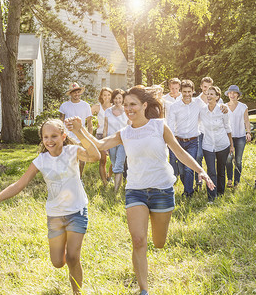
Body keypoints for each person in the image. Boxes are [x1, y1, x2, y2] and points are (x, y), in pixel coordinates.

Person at [66, 86, 214, 295]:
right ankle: (143, 289)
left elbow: (179, 152)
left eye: (133, 104)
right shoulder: (124, 133)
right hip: (135, 190)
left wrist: (201, 171)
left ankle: (149, 264)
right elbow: (99, 145)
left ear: (145, 105)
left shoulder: (159, 126)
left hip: (162, 190)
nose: (128, 108)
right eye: (126, 105)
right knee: (138, 240)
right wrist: (79, 130)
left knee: (159, 242)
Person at [0, 119, 100, 295]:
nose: (49, 140)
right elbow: (19, 184)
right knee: (58, 262)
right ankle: (67, 252)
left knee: (73, 258)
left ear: (63, 136)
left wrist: (80, 132)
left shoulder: (72, 151)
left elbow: (96, 156)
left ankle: (77, 292)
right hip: (55, 216)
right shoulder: (41, 160)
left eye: (54, 136)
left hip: (77, 211)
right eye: (45, 137)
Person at [168, 80, 205, 198]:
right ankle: (188, 188)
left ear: (193, 91)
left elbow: (210, 108)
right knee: (182, 171)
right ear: (181, 92)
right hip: (178, 141)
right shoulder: (174, 106)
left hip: (193, 141)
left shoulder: (198, 103)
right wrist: (171, 142)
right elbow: (170, 125)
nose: (187, 94)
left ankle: (188, 193)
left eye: (189, 91)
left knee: (189, 168)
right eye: (184, 92)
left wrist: (223, 107)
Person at [200, 86, 234, 202]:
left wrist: (231, 145)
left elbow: (227, 127)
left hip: (222, 144)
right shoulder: (202, 110)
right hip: (208, 145)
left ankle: (220, 193)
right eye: (207, 94)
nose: (209, 96)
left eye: (211, 94)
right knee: (211, 171)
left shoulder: (222, 110)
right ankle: (211, 196)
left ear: (217, 97)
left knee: (221, 170)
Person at [59, 82, 93, 178]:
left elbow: (90, 124)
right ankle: (69, 178)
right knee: (69, 160)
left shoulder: (86, 105)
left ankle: (79, 178)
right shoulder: (64, 106)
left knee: (82, 160)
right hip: (69, 137)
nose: (76, 94)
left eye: (78, 92)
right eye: (74, 92)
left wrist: (89, 137)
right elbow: (60, 122)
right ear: (70, 94)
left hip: (82, 136)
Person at [225, 85, 252, 188]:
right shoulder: (224, 106)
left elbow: (246, 120)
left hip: (240, 136)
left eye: (234, 93)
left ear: (238, 95)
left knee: (238, 160)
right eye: (230, 93)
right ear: (228, 94)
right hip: (228, 137)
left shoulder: (243, 106)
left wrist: (248, 132)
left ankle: (237, 182)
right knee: (228, 159)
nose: (232, 95)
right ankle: (230, 180)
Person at [103, 89, 130, 192]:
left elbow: (129, 127)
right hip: (111, 141)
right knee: (114, 164)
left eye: (119, 98)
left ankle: (115, 192)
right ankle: (119, 184)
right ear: (113, 99)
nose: (117, 100)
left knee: (119, 165)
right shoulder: (108, 111)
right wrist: (104, 144)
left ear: (122, 99)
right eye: (115, 98)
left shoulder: (127, 110)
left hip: (123, 141)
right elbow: (105, 128)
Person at [91, 87, 113, 186]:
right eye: (104, 95)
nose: (107, 97)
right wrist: (94, 124)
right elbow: (87, 117)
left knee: (114, 160)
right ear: (101, 96)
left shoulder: (114, 106)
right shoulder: (97, 107)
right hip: (100, 135)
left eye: (109, 95)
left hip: (112, 135)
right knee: (103, 160)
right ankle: (104, 182)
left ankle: (109, 176)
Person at [163, 78, 182, 176]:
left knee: (181, 151)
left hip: (181, 128)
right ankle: (174, 175)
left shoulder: (183, 97)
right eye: (172, 88)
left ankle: (181, 171)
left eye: (176, 88)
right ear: (169, 87)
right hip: (170, 128)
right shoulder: (165, 98)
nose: (174, 90)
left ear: (179, 87)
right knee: (172, 154)